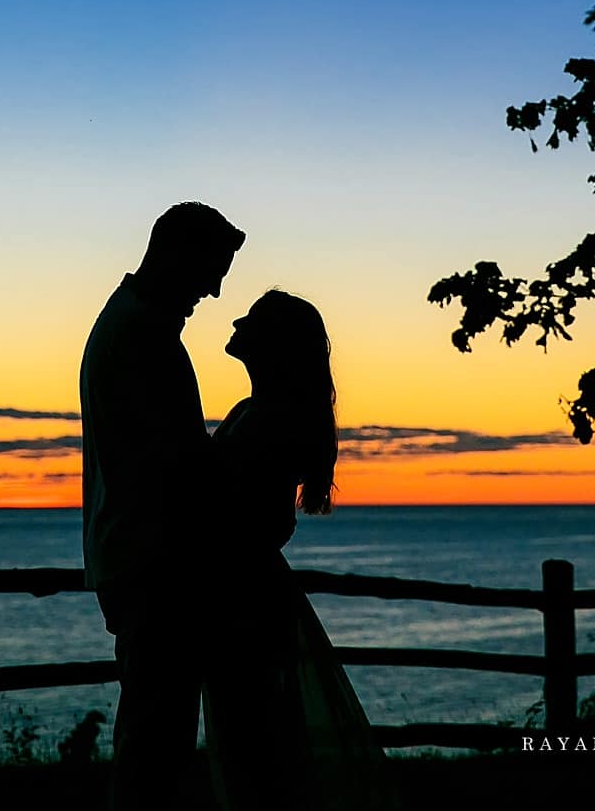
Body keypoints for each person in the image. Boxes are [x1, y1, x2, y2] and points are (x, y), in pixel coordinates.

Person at [204, 289, 400, 811]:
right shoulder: (253, 409)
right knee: (251, 729)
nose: (237, 321)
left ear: (273, 343)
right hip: (241, 585)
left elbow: (257, 512)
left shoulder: (273, 417)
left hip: (243, 593)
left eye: (253, 319)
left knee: (255, 732)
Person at [79, 201, 245, 810]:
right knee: (157, 735)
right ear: (178, 253)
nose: (216, 289)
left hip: (135, 553)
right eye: (213, 269)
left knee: (155, 729)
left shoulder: (131, 326)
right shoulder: (141, 335)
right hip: (152, 560)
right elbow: (174, 460)